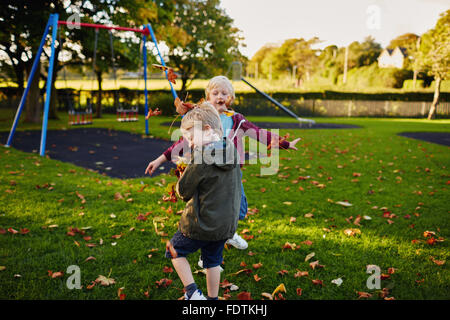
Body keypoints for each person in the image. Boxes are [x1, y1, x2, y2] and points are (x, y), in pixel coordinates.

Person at [146, 76, 301, 252]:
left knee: (240, 210)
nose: (220, 96)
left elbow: (257, 133)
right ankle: (208, 246)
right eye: (215, 92)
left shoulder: (237, 119)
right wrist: (159, 160)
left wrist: (284, 143)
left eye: (224, 93)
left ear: (231, 98)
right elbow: (181, 143)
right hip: (207, 172)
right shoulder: (202, 118)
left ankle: (227, 233)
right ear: (208, 96)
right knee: (208, 208)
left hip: (230, 172)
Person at [165, 102, 241, 300]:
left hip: (202, 224)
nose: (189, 143)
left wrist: (184, 172)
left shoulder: (201, 158)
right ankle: (212, 300)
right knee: (212, 261)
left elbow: (183, 192)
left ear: (207, 130)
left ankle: (192, 293)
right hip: (225, 225)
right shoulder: (231, 150)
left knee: (174, 249)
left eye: (191, 137)